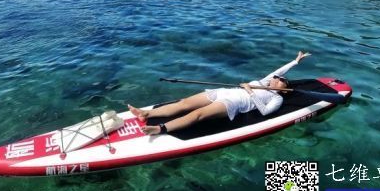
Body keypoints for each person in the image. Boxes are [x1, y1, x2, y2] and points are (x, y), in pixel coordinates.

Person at [128, 51, 312, 135]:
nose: (276, 78)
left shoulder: (277, 98)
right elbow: (280, 70)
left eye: (280, 80)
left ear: (284, 89)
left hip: (233, 104)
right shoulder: (265, 82)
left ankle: (160, 129)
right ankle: (147, 114)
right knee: (184, 103)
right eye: (276, 77)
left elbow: (265, 112)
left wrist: (250, 92)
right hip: (223, 92)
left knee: (197, 115)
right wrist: (296, 61)